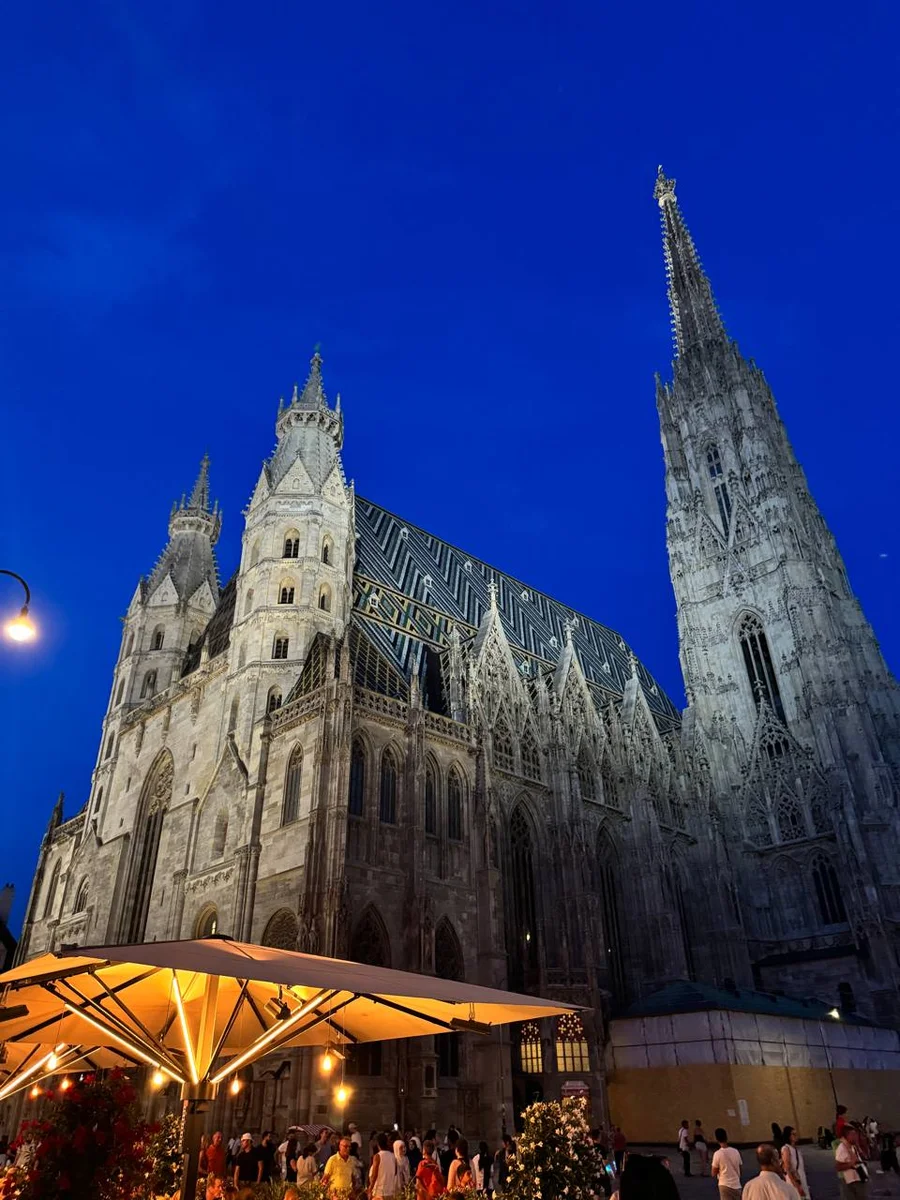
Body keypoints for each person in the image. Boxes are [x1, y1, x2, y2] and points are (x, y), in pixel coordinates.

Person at [835, 1126, 867, 1200]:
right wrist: (851, 1164)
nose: (855, 1137)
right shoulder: (842, 1148)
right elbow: (838, 1167)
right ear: (846, 1136)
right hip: (852, 1181)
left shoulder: (851, 1146)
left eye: (855, 1134)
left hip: (859, 1177)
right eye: (852, 1135)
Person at [711, 1127, 743, 1200]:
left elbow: (713, 1173)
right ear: (726, 1137)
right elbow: (740, 1168)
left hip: (724, 1184)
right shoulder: (736, 1151)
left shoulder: (717, 1154)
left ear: (717, 1139)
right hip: (736, 1184)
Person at [781, 1127, 809, 1199]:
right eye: (794, 1134)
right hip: (794, 1182)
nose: (796, 1136)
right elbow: (788, 1168)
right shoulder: (786, 1149)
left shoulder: (795, 1149)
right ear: (789, 1136)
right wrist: (797, 1186)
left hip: (801, 1178)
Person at [371, 1130, 401, 1197]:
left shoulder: (377, 1156)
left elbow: (374, 1175)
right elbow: (395, 1173)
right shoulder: (393, 1156)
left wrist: (370, 1187)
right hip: (390, 1191)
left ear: (378, 1143)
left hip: (379, 1192)